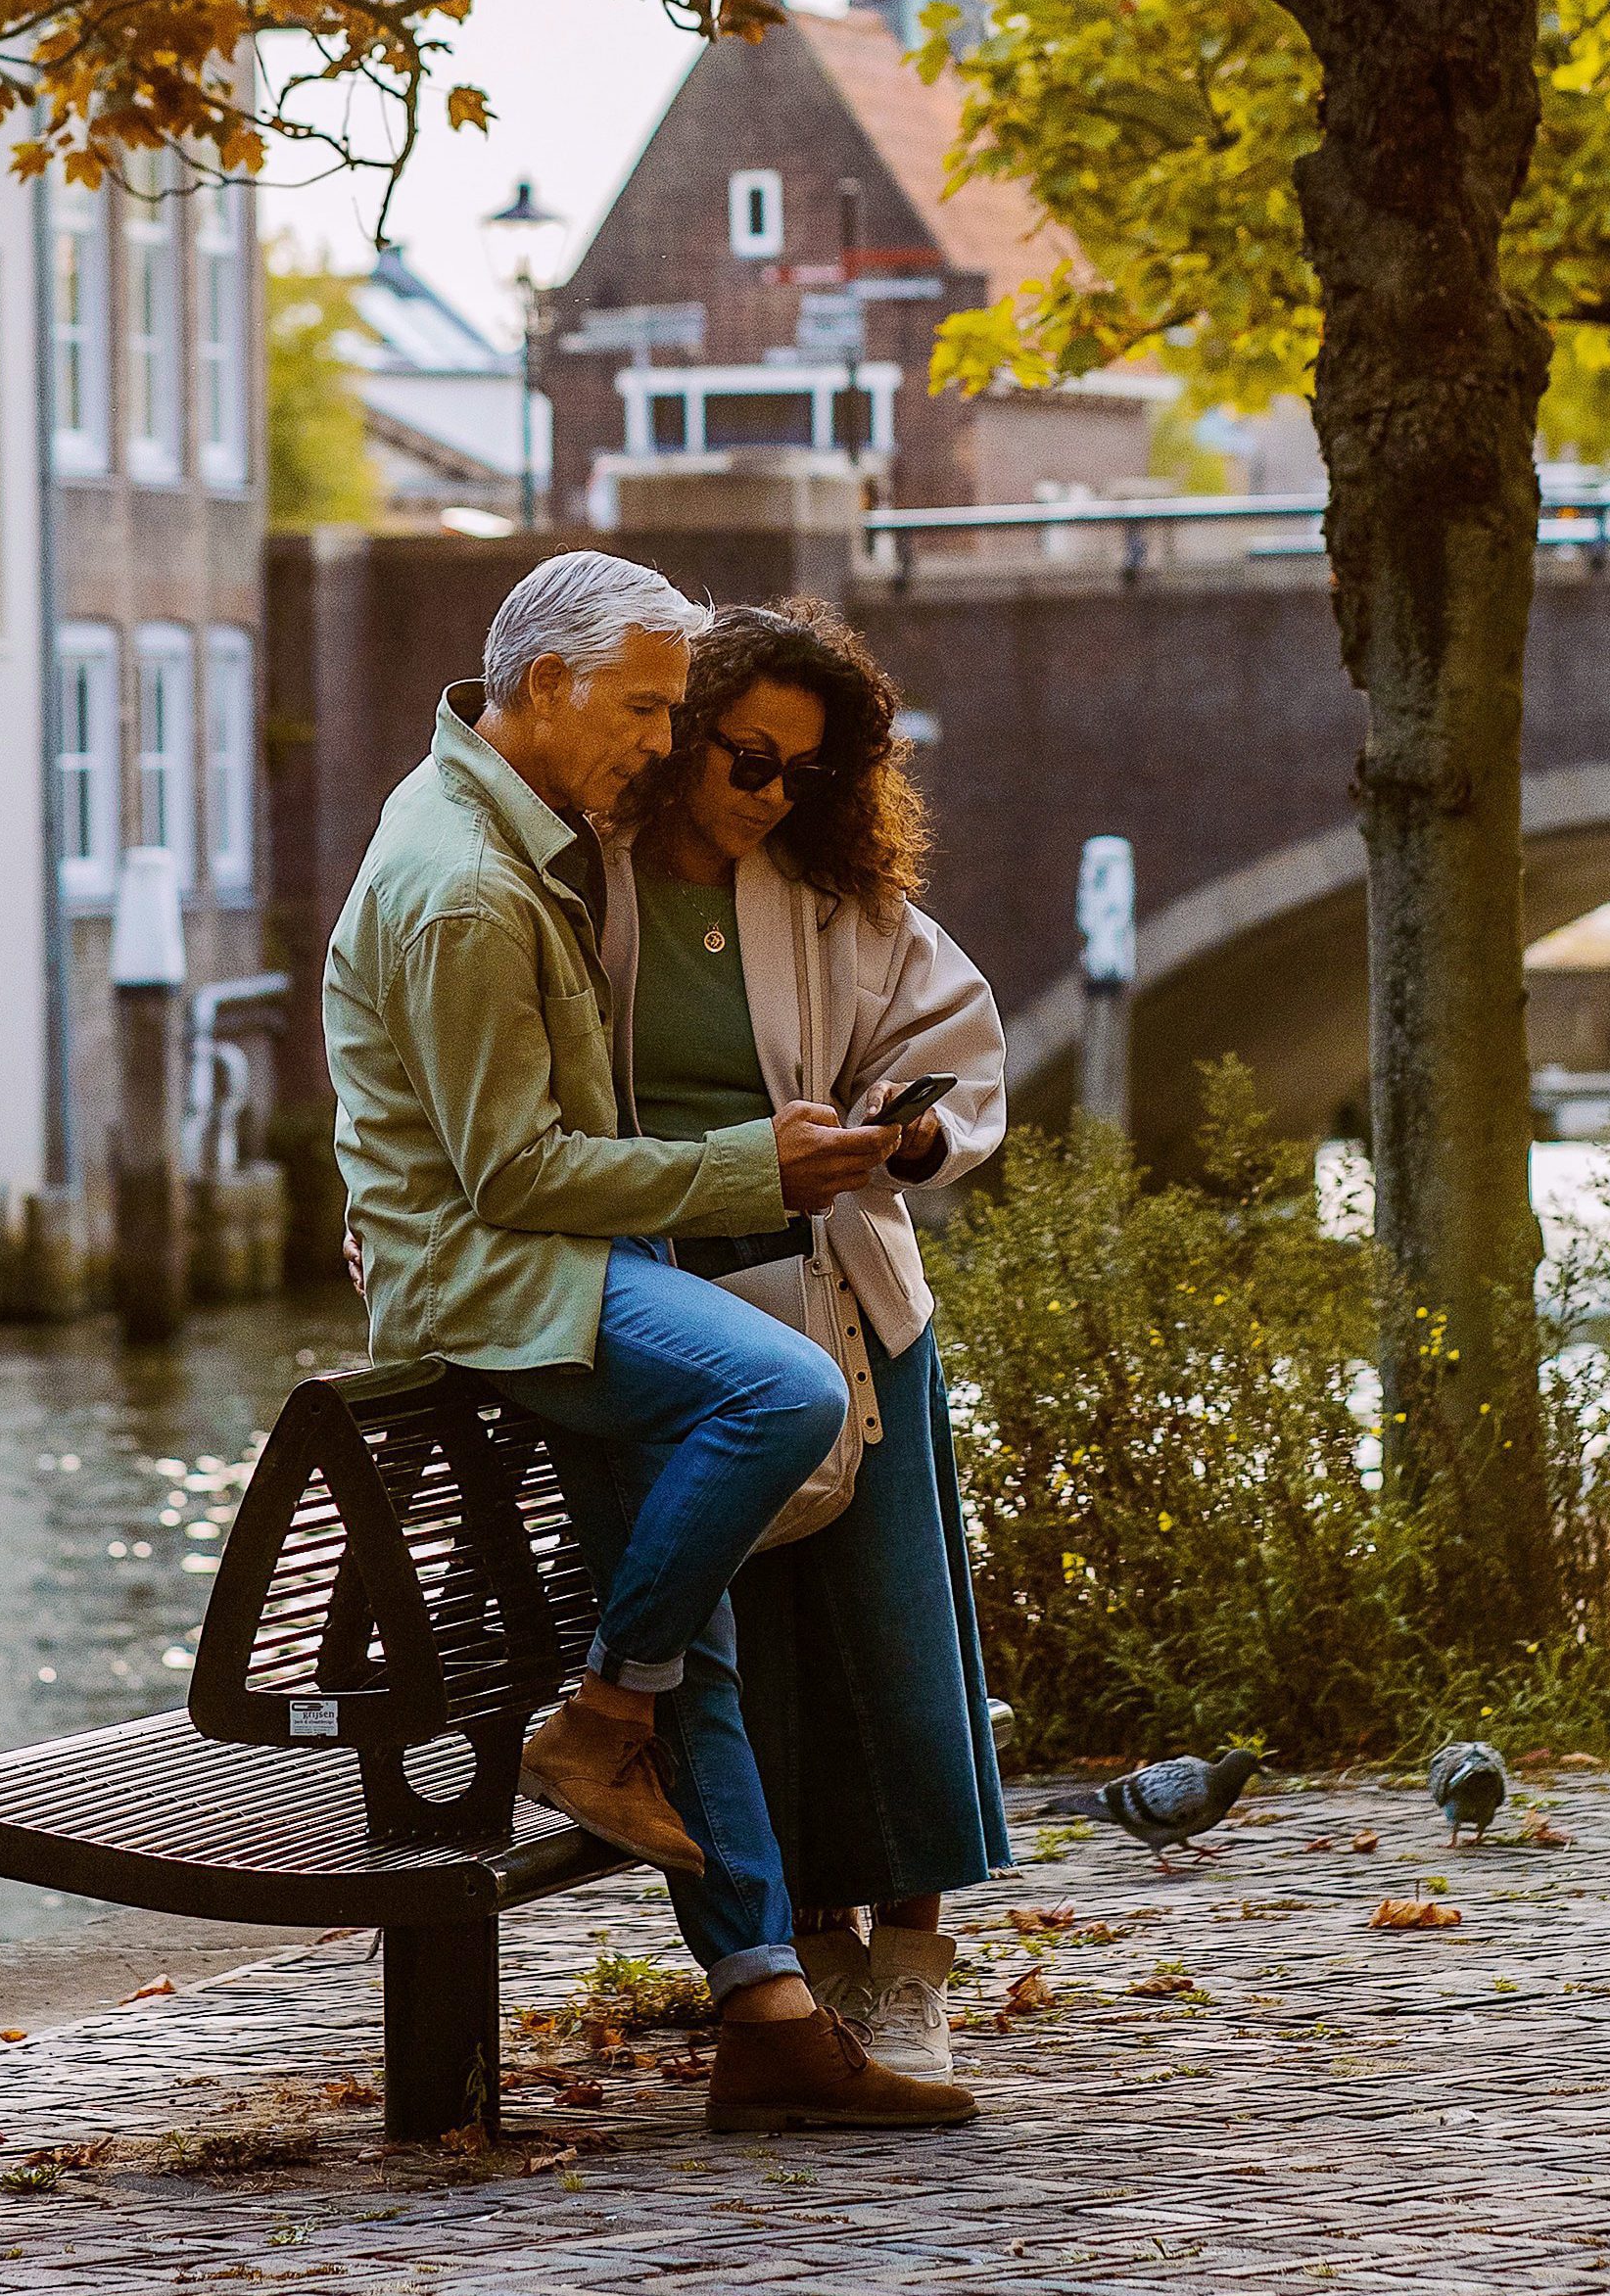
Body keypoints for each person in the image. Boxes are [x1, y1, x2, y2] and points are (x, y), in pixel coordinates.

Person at [323, 549, 977, 2132]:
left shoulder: (519, 837)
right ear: (543, 686)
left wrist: (880, 1148)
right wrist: (754, 1166)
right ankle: (608, 1715)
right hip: (517, 1272)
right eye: (652, 710)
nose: (666, 742)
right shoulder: (482, 879)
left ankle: (763, 2004)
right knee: (774, 1394)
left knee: (725, 1638)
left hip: (577, 1260)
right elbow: (512, 1172)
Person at [599, 598, 1012, 2085]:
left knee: (895, 1659)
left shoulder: (830, 890)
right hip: (673, 1320)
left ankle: (908, 1965)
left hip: (841, 1302)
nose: (769, 793)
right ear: (677, 731)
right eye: (746, 756)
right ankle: (802, 1960)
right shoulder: (587, 888)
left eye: (802, 774)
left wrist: (905, 1134)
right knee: (757, 1671)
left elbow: (951, 1040)